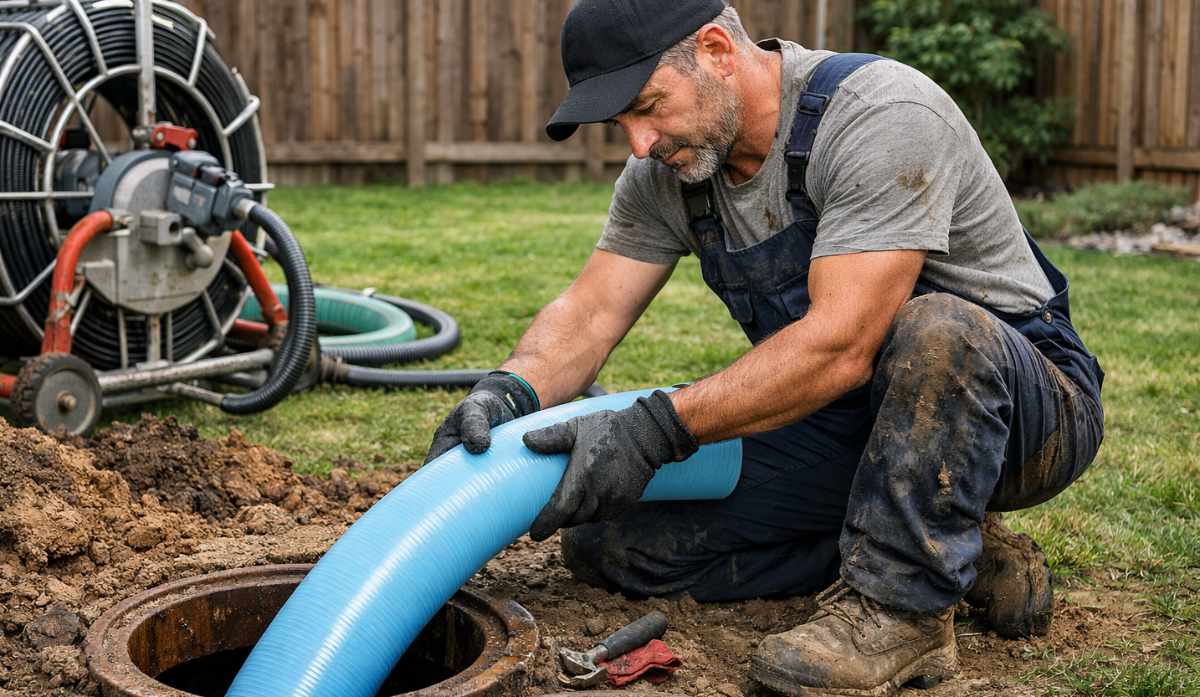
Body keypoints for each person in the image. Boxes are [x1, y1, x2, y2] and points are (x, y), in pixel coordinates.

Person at [424, 2, 1104, 695]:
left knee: (936, 328)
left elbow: (842, 343)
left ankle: (902, 610)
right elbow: (591, 310)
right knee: (609, 543)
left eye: (649, 106)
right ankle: (950, 546)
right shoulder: (670, 176)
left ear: (718, 49)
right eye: (621, 122)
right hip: (852, 420)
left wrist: (658, 428)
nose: (638, 142)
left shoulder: (880, 113)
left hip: (1020, 408)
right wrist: (507, 389)